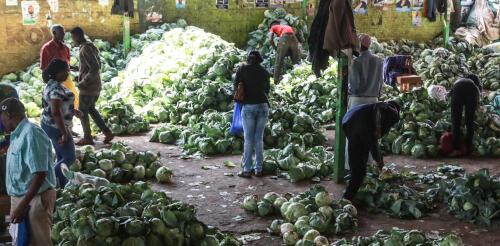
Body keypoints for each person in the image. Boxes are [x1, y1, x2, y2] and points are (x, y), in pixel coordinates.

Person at [0, 98, 57, 246]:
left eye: (2, 116)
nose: (1, 121)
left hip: (34, 200)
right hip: (22, 199)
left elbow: (40, 174)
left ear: (9, 115)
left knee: (40, 241)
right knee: (24, 241)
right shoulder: (16, 134)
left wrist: (23, 205)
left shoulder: (31, 133)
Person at [342, 101, 400, 201]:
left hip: (347, 121)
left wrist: (378, 158)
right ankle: (347, 199)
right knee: (360, 170)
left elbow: (374, 139)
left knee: (356, 159)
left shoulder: (377, 108)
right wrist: (379, 160)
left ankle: (351, 191)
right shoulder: (392, 113)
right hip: (358, 124)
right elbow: (373, 140)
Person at [345, 34, 384, 172]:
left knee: (354, 134)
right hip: (373, 100)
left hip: (358, 101)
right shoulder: (379, 61)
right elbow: (381, 84)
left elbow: (354, 86)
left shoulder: (356, 62)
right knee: (370, 134)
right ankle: (368, 164)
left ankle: (352, 166)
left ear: (358, 45)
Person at [70, 27, 114, 146]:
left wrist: (83, 82)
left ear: (78, 36)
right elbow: (94, 64)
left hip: (89, 87)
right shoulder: (90, 47)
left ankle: (87, 137)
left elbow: (95, 67)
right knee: (91, 109)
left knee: (82, 111)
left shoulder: (85, 49)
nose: (73, 40)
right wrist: (76, 69)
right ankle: (107, 132)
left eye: (73, 37)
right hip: (95, 85)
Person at [234, 51, 270, 178]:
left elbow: (236, 86)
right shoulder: (264, 71)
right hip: (263, 106)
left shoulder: (242, 69)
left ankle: (247, 170)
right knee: (258, 138)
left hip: (248, 106)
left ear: (248, 59)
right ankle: (258, 169)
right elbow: (267, 90)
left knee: (248, 139)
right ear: (260, 60)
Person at [41, 59, 76, 187]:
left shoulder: (52, 83)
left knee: (61, 156)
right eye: (65, 71)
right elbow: (55, 112)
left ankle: (62, 185)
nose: (68, 73)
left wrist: (73, 111)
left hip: (48, 124)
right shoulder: (55, 89)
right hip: (56, 126)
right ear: (57, 72)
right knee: (70, 158)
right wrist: (64, 133)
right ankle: (44, 181)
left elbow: (57, 106)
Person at [40, 24, 80, 112]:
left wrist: (75, 68)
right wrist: (48, 84)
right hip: (53, 81)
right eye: (61, 33)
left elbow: (66, 65)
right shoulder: (46, 48)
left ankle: (72, 115)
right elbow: (43, 68)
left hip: (65, 78)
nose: (63, 35)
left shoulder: (66, 48)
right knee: (56, 103)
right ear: (54, 33)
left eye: (64, 33)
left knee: (74, 98)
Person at [449, 75, 481, 156]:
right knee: (470, 120)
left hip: (457, 90)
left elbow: (450, 94)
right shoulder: (475, 85)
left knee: (456, 120)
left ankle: (456, 149)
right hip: (472, 92)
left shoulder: (458, 81)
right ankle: (468, 148)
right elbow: (478, 99)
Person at [0, 83, 19, 195]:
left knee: (7, 160)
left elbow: (13, 120)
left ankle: (9, 190)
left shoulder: (9, 91)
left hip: (8, 135)